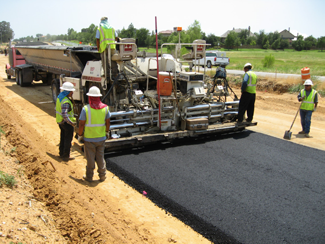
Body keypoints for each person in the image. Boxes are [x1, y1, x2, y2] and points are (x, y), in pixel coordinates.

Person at [78, 86, 110, 182]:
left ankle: (89, 177)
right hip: (101, 138)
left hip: (89, 139)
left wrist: (80, 135)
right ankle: (102, 175)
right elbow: (108, 122)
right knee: (100, 157)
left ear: (89, 97)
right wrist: (107, 132)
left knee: (90, 158)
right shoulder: (105, 108)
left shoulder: (86, 109)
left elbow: (81, 124)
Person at [56, 82, 76, 161]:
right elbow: (64, 114)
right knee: (68, 139)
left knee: (63, 137)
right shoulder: (66, 102)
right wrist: (71, 123)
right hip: (66, 123)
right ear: (68, 92)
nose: (72, 92)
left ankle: (61, 153)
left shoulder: (60, 97)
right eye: (71, 91)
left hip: (60, 122)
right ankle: (65, 155)